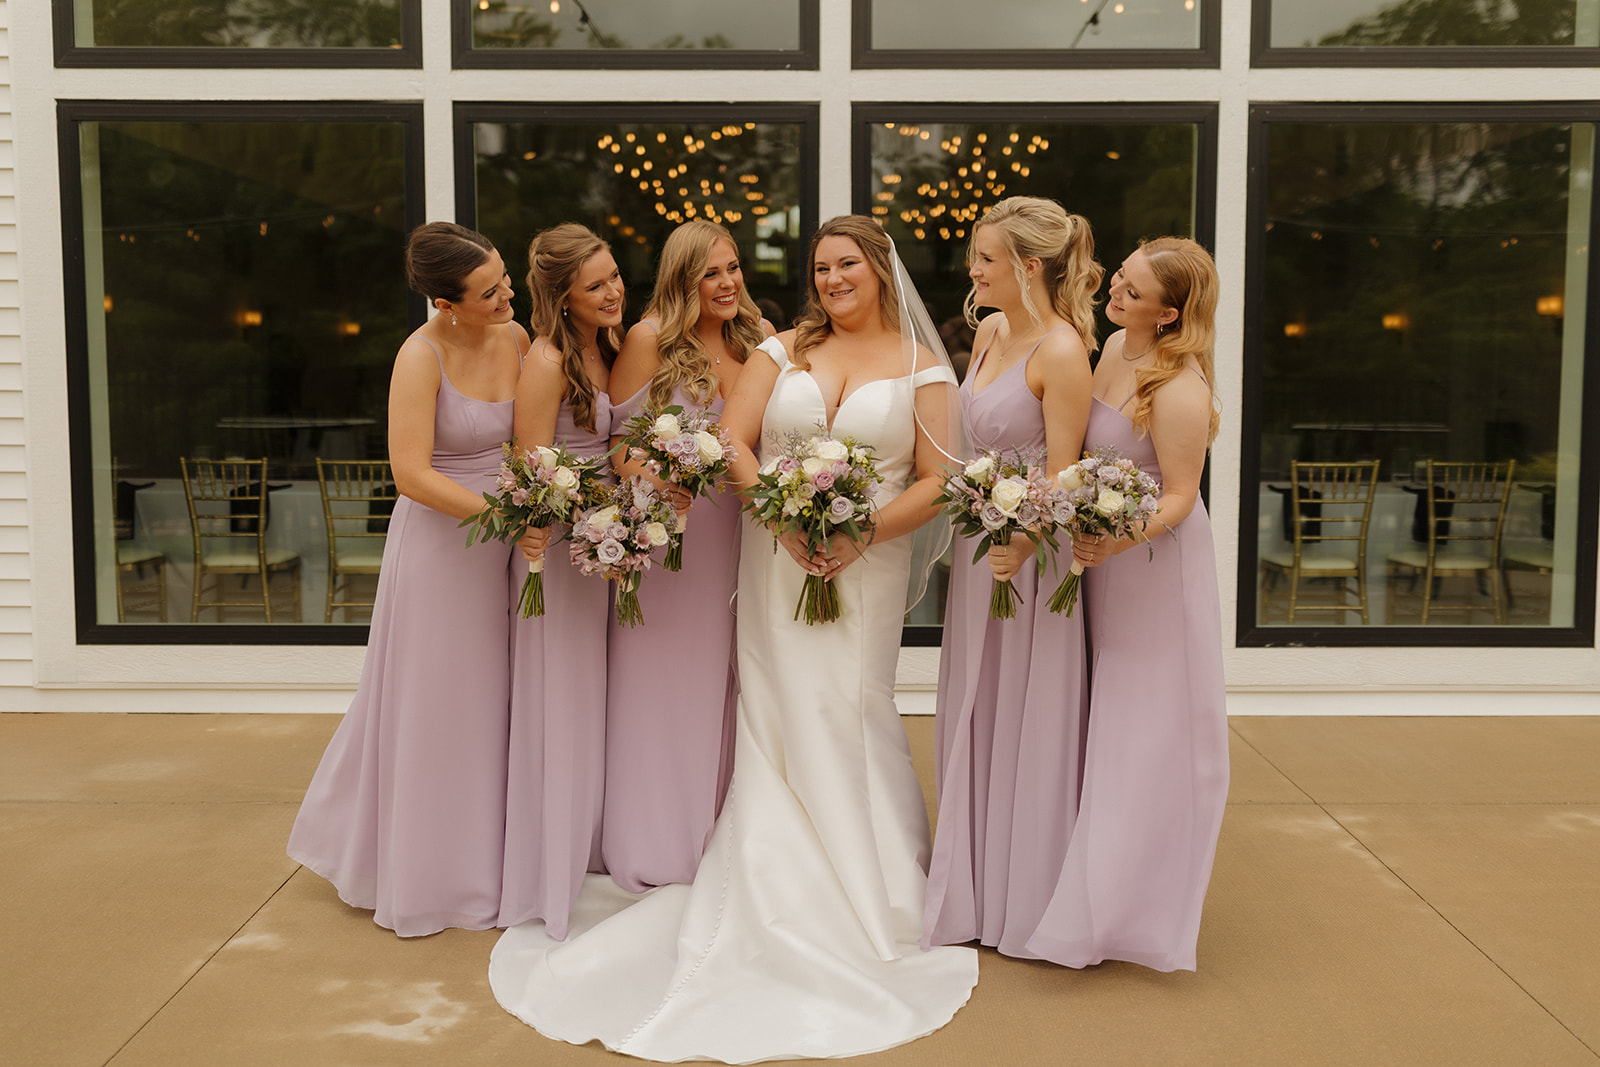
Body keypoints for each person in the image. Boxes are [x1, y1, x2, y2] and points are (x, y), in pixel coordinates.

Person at [488, 216, 979, 1062]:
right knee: (770, 705)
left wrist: (860, 533)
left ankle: (879, 878)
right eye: (821, 267)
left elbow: (941, 480)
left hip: (867, 565)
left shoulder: (925, 367)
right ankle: (762, 858)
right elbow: (732, 442)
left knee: (846, 706)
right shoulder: (781, 349)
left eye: (847, 265)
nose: (831, 280)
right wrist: (787, 514)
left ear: (882, 269)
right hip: (778, 555)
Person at [286, 221, 524, 936]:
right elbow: (411, 474)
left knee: (496, 699)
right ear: (448, 303)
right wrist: (507, 514)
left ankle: (494, 858)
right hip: (443, 551)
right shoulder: (419, 357)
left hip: (508, 545)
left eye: (505, 277)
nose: (508, 293)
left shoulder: (515, 337)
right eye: (490, 290)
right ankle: (429, 871)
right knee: (439, 703)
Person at [1029, 236, 1229, 972]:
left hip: (1153, 567)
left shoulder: (1179, 388)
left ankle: (1125, 911)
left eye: (1133, 288)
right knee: (1105, 712)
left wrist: (1115, 542)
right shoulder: (1112, 345)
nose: (1116, 290)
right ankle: (1093, 885)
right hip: (1107, 559)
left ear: (1170, 313)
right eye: (1121, 276)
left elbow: (1180, 496)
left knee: (1143, 729)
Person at [924, 197, 1100, 958]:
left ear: (1028, 267)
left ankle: (1021, 899)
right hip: (979, 547)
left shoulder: (1062, 351)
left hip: (1030, 557)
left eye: (985, 258)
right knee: (973, 701)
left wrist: (1025, 540)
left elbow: (1066, 473)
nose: (973, 269)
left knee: (1026, 708)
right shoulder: (991, 331)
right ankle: (970, 889)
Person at [601, 220, 770, 891]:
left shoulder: (757, 342)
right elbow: (618, 446)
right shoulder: (649, 341)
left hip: (744, 532)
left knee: (731, 681)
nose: (727, 283)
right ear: (682, 278)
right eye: (711, 273)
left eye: (732, 269)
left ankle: (721, 835)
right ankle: (657, 843)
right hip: (673, 536)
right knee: (663, 682)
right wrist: (657, 473)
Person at [497, 223, 623, 940]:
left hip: (602, 547)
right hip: (558, 551)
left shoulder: (604, 348)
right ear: (562, 295)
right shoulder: (546, 361)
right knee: (558, 700)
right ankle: (547, 871)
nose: (613, 292)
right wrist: (592, 514)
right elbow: (530, 466)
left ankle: (585, 849)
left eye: (613, 277)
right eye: (596, 284)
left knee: (591, 697)